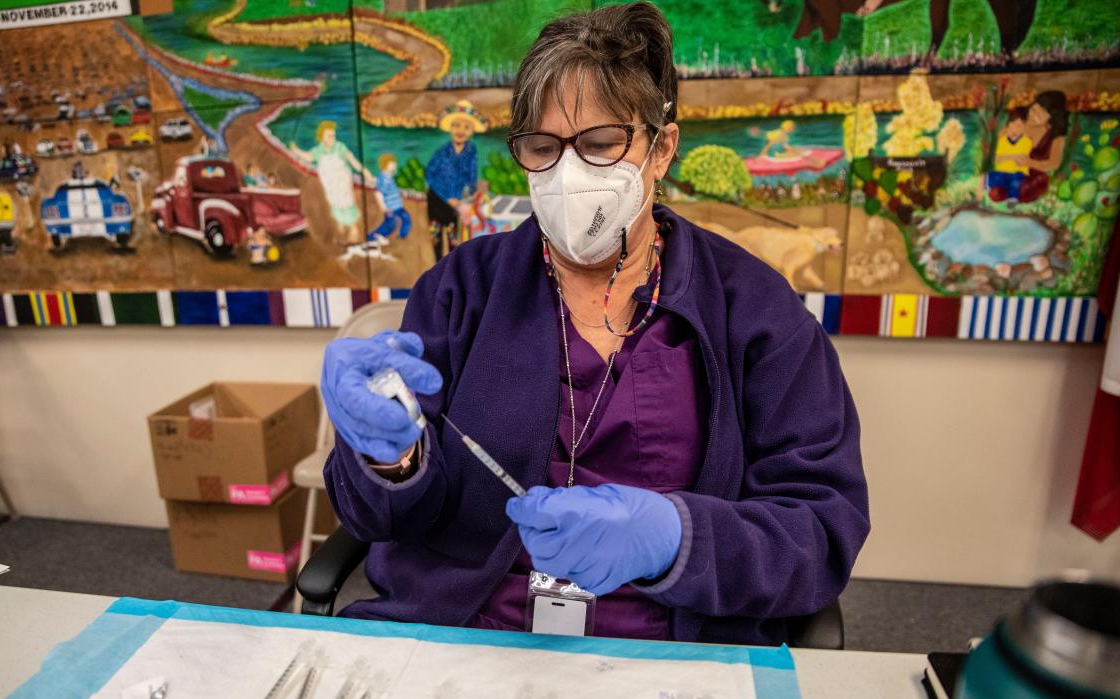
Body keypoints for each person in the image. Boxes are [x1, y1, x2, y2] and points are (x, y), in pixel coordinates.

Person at [320, 2, 869, 645]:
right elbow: (385, 516)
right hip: (471, 635)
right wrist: (392, 459)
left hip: (670, 658)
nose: (569, 174)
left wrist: (675, 539)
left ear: (661, 149)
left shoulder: (756, 312)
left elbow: (819, 531)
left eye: (602, 144)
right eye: (542, 148)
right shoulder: (459, 290)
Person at [286, 120, 368, 243]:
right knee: (335, 202)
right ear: (322, 137)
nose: (332, 138)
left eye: (333, 135)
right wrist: (296, 150)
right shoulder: (318, 150)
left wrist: (364, 171)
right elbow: (308, 156)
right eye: (329, 135)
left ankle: (353, 228)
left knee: (346, 202)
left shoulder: (340, 147)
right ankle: (340, 225)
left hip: (342, 181)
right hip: (329, 183)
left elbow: (352, 160)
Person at [425, 100, 487, 260]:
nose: (461, 131)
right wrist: (447, 197)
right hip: (437, 198)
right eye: (457, 125)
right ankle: (437, 266)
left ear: (472, 131)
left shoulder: (471, 151)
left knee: (454, 238)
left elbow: (471, 178)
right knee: (436, 236)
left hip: (456, 203)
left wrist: (466, 200)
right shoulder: (442, 152)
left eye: (466, 127)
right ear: (451, 128)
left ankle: (451, 269)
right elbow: (430, 175)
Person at [1015, 90, 1069, 204]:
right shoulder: (1020, 124)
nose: (1033, 116)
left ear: (1052, 118)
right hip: (1012, 170)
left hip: (1035, 177)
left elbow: (1054, 163)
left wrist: (1029, 162)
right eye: (1033, 110)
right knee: (996, 191)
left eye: (1039, 115)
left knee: (1020, 192)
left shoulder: (1056, 137)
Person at [987, 106, 1031, 204]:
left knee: (1015, 181)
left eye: (1018, 126)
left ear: (1024, 128)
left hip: (1018, 172)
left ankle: (1012, 199)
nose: (1013, 130)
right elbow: (996, 159)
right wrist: (1010, 157)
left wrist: (1006, 157)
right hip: (1002, 171)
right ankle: (994, 191)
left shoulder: (1026, 142)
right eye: (1010, 126)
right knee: (993, 176)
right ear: (1006, 128)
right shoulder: (1002, 141)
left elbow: (1021, 160)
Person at [366, 153, 411, 245]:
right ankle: (371, 237)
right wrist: (384, 208)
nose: (394, 166)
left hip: (398, 205)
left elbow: (391, 189)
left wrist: (400, 193)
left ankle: (402, 236)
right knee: (390, 225)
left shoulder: (389, 177)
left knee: (406, 219)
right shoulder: (383, 178)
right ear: (385, 165)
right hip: (391, 207)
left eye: (394, 164)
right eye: (392, 165)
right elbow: (378, 193)